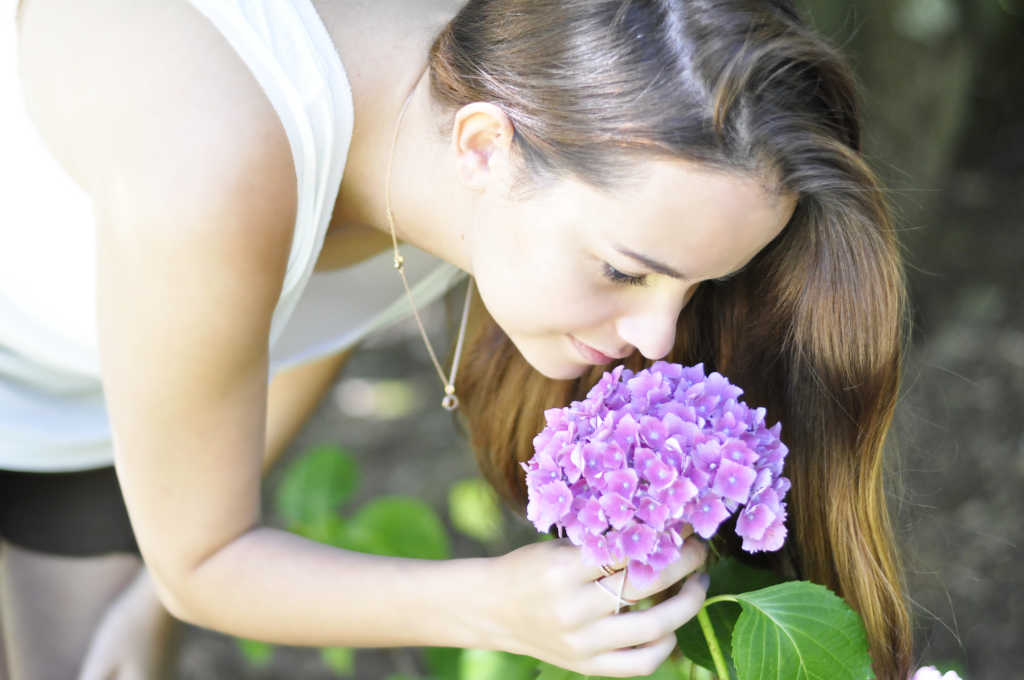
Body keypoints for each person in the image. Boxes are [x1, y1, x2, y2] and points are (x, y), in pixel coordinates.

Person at [0, 0, 912, 678]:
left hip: (97, 426)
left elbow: (301, 331)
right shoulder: (210, 160)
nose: (658, 337)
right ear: (483, 147)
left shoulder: (505, 87)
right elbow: (202, 559)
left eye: (696, 285)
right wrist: (497, 608)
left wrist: (156, 589)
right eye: (625, 270)